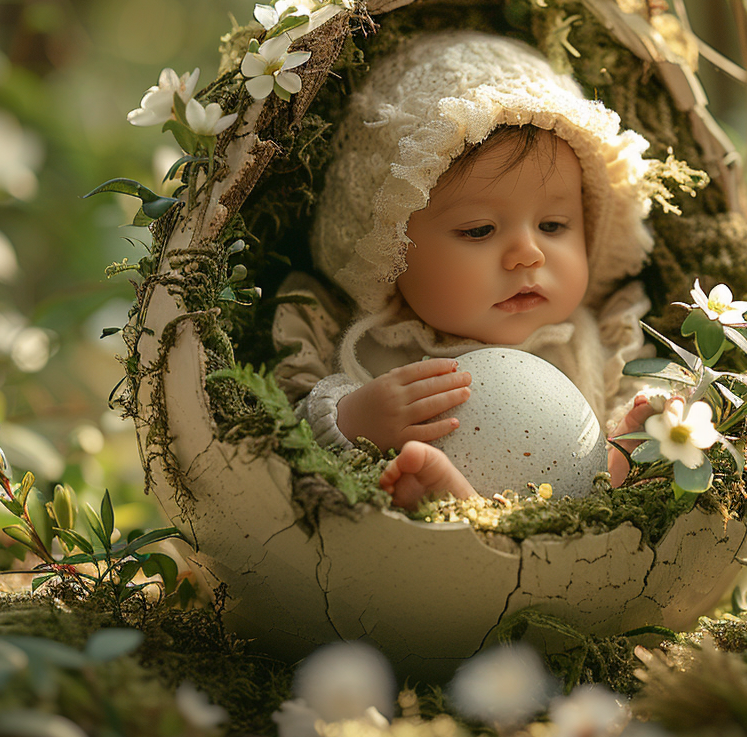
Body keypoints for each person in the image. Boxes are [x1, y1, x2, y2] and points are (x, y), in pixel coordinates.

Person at [271, 30, 696, 508]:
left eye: (553, 225)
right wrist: (350, 419)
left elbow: (638, 393)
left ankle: (609, 471)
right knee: (393, 486)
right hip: (427, 563)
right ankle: (442, 499)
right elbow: (277, 438)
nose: (527, 255)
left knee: (616, 458)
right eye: (478, 230)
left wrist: (636, 427)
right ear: (388, 249)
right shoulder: (370, 344)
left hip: (575, 538)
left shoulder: (592, 340)